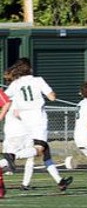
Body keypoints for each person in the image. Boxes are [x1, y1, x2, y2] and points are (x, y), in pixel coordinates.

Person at [0, 58, 73, 191]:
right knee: (39, 149)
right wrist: (50, 94)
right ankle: (12, 157)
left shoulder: (15, 84)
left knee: (44, 150)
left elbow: (4, 98)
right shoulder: (38, 80)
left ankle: (59, 181)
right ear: (30, 69)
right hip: (38, 119)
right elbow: (52, 97)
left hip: (24, 121)